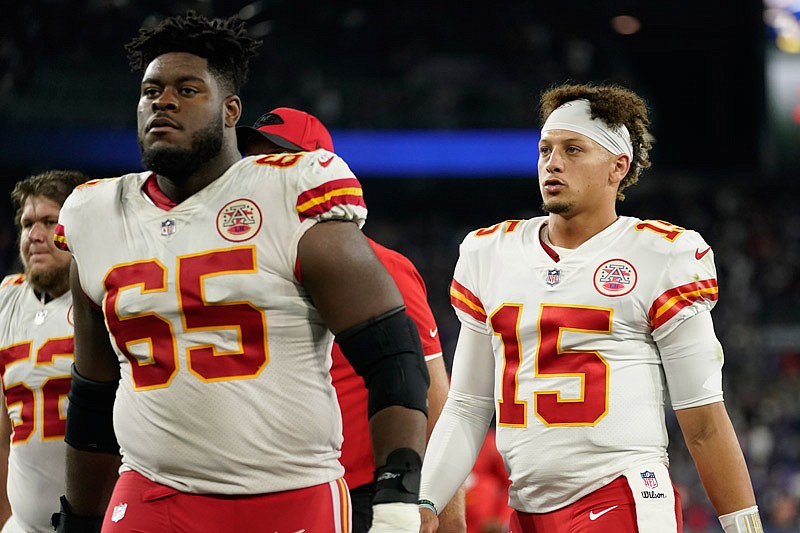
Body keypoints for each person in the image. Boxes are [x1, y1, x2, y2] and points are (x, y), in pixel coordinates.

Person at [51, 11, 430, 533]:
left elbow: (394, 361)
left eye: (188, 90)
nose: (163, 101)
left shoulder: (292, 192)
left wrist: (397, 498)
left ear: (231, 111)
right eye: (151, 90)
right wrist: (80, 519)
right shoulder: (96, 215)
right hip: (152, 490)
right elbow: (93, 394)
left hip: (287, 492)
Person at [418, 82, 763, 533]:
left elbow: (702, 419)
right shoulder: (490, 254)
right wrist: (426, 500)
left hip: (622, 494)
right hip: (526, 509)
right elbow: (466, 407)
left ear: (618, 167)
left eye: (573, 149)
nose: (553, 163)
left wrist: (744, 527)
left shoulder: (662, 255)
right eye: (545, 149)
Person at [237, 107, 466, 532]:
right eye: (252, 162)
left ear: (318, 169)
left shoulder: (376, 266)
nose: (261, 175)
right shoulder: (231, 271)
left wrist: (447, 514)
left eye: (278, 159)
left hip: (355, 497)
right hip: (257, 492)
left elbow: (433, 390)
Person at [0, 170, 90, 533]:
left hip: (100, 516)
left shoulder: (105, 293)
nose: (34, 236)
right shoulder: (7, 298)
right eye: (26, 224)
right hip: (23, 523)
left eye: (49, 222)